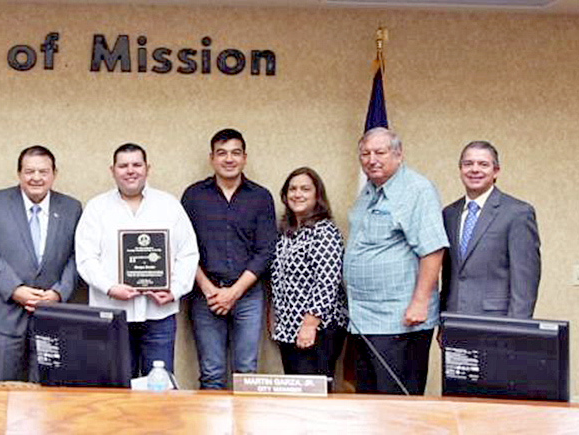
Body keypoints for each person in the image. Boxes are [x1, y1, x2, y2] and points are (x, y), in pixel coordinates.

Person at [76, 143, 199, 377]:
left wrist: (174, 290)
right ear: (113, 170)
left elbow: (188, 254)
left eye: (136, 164)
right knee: (117, 386)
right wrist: (110, 288)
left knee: (159, 386)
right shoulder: (96, 208)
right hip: (111, 313)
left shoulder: (169, 205)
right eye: (123, 166)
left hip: (159, 314)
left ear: (147, 168)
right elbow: (86, 258)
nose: (130, 170)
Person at [343, 128, 448, 395]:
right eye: (365, 153)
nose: (372, 159)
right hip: (365, 319)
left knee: (397, 402)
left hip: (400, 320)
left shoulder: (416, 189)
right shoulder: (369, 191)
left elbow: (433, 250)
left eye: (380, 152)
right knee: (369, 400)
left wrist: (420, 302)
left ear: (398, 155)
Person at [0, 145, 82, 382]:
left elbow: (78, 256)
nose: (36, 178)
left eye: (43, 171)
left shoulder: (71, 208)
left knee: (45, 396)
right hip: (4, 315)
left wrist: (58, 292)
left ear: (54, 173)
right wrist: (15, 290)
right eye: (29, 171)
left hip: (52, 315)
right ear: (19, 174)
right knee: (2, 394)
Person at [180, 128, 276, 389]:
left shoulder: (261, 197)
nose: (229, 159)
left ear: (245, 157)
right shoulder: (193, 196)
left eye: (235, 153)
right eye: (221, 153)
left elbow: (266, 250)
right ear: (212, 158)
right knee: (211, 374)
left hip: (248, 295)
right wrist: (209, 289)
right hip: (205, 295)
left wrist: (234, 292)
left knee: (246, 373)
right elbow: (184, 249)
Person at [441, 141, 540, 318]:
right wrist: (443, 319)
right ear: (460, 170)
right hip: (454, 319)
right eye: (468, 164)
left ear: (496, 171)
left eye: (483, 164)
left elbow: (525, 281)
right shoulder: (449, 214)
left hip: (497, 322)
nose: (474, 169)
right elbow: (449, 275)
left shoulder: (517, 213)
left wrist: (517, 328)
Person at [270, 167, 346, 378]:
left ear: (317, 195)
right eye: (292, 189)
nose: (298, 194)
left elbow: (327, 282)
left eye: (305, 189)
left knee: (314, 395)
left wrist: (310, 325)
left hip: (317, 328)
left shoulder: (324, 231)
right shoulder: (286, 232)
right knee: (295, 393)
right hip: (289, 327)